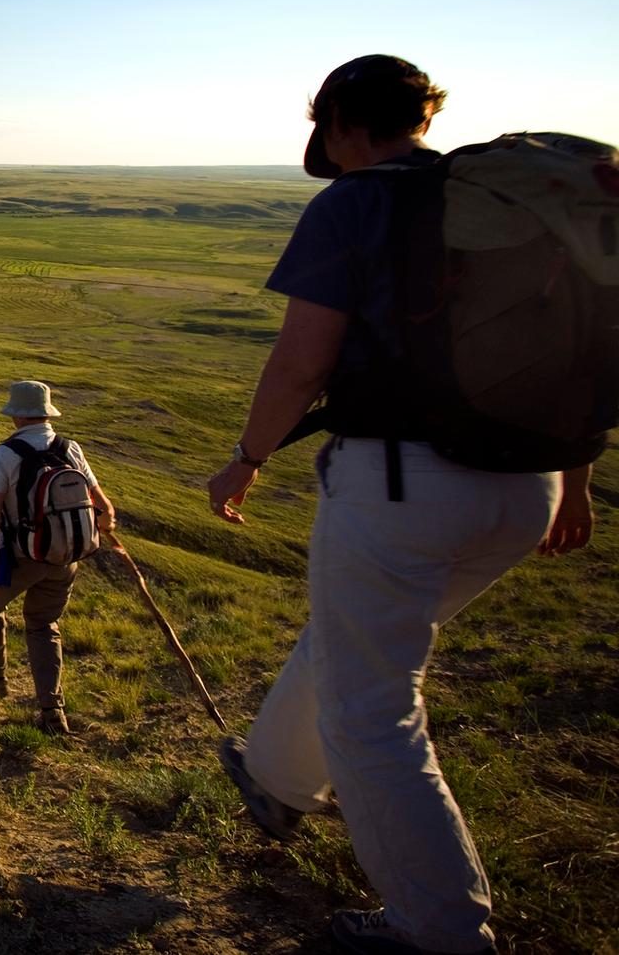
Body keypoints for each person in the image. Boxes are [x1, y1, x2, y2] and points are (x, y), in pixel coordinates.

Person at [204, 55, 600, 955]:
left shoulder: (356, 202)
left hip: (401, 484)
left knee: (372, 705)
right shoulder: (510, 211)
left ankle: (442, 929)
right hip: (528, 488)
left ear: (342, 121)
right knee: (353, 640)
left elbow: (302, 361)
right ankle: (274, 775)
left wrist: (246, 459)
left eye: (325, 133)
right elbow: (578, 354)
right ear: (424, 113)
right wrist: (573, 480)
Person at [0, 380, 115, 736]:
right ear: (47, 413)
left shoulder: (5, 455)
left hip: (23, 557)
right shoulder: (71, 449)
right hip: (65, 558)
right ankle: (52, 710)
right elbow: (104, 507)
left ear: (17, 416)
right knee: (43, 626)